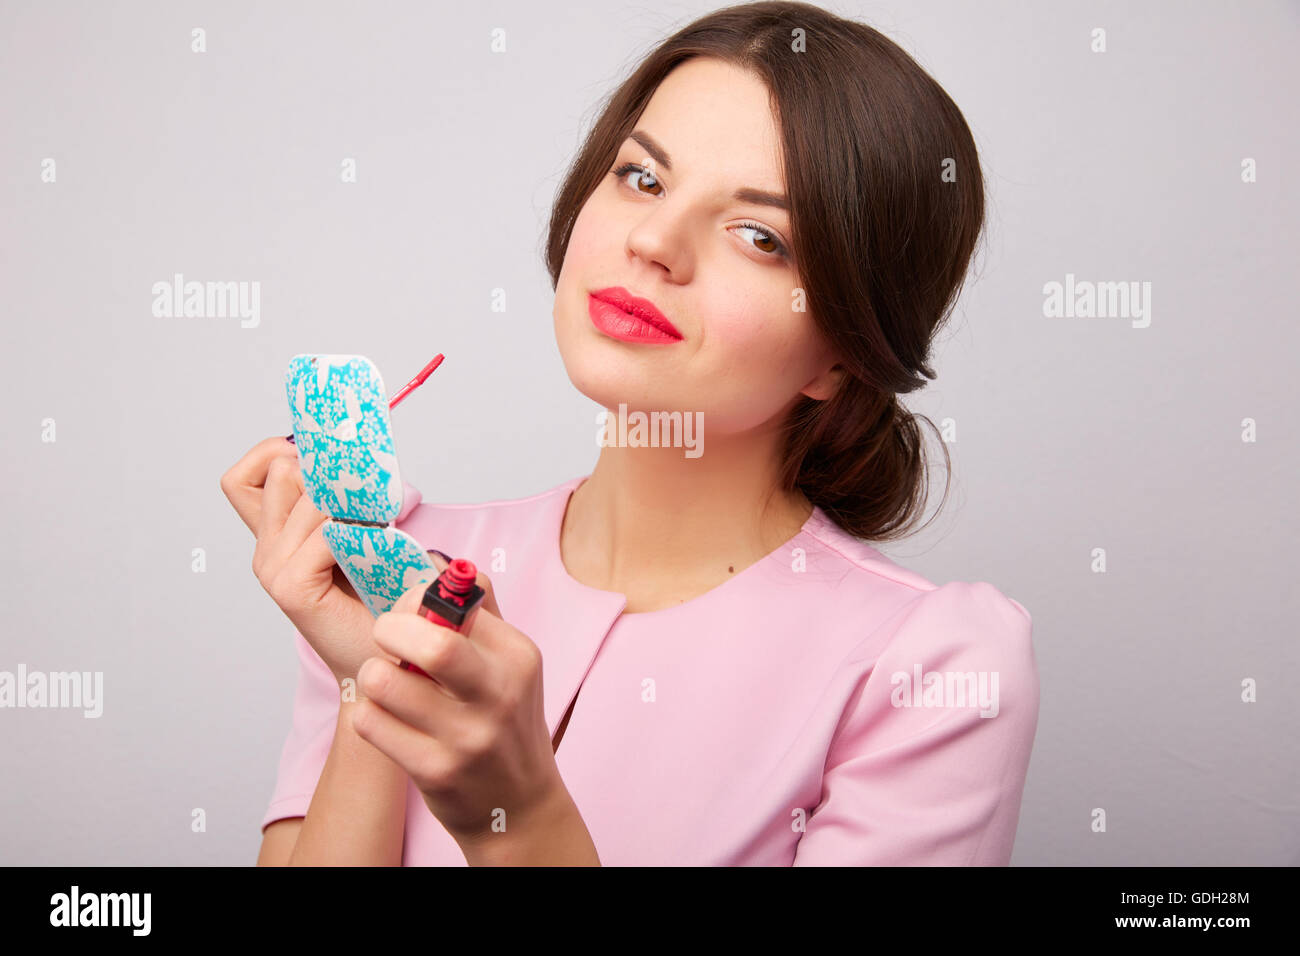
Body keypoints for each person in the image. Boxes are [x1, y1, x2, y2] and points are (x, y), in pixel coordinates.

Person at [222, 0, 1040, 866]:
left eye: (760, 236)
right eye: (642, 178)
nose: (653, 241)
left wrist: (523, 815)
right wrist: (378, 687)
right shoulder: (402, 565)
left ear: (842, 355)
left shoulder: (931, 673)